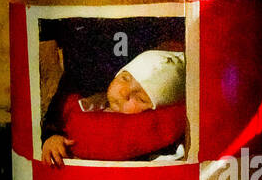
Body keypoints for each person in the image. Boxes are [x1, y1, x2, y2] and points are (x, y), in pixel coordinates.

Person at [41, 49, 186, 166]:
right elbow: (58, 125)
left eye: (140, 98)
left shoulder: (145, 133)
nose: (124, 92)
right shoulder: (89, 103)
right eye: (125, 78)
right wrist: (52, 139)